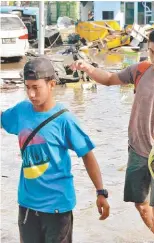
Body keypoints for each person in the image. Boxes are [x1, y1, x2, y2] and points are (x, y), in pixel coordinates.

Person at [71, 27, 154, 243]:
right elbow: (110, 79)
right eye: (152, 52)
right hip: (137, 151)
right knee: (141, 205)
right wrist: (88, 68)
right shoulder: (140, 70)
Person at [0, 57, 110, 242]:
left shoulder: (65, 120)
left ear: (51, 84)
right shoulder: (21, 111)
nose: (31, 94)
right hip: (27, 204)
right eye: (28, 87)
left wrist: (101, 192)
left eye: (36, 87)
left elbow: (87, 155)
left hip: (58, 206)